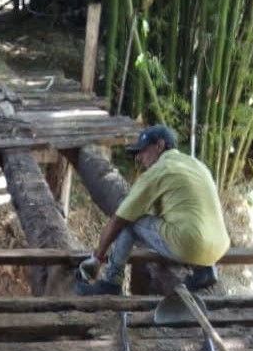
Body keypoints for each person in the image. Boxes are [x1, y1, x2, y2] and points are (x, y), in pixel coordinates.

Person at [76, 124, 230, 296]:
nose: (140, 158)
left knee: (130, 221)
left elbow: (120, 218)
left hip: (190, 245)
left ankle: (111, 281)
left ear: (160, 145)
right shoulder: (195, 164)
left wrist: (97, 258)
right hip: (219, 246)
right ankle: (205, 271)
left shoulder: (159, 171)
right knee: (190, 220)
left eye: (143, 151)